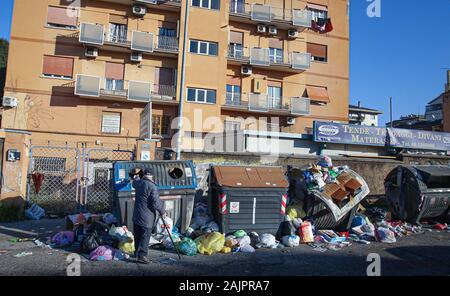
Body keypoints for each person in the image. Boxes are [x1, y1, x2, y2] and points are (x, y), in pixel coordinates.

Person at [131, 168, 165, 264]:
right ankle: (142, 256)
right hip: (147, 217)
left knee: (137, 235)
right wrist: (162, 211)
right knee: (145, 236)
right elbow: (155, 203)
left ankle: (136, 253)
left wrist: (136, 177)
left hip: (137, 215)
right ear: (152, 176)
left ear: (144, 175)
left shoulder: (138, 183)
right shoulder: (152, 186)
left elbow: (134, 182)